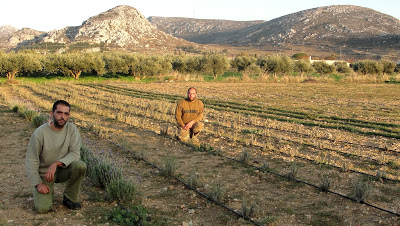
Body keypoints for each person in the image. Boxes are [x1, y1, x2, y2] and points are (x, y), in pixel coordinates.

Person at [26, 100, 86, 213]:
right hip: (46, 174)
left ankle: (70, 198)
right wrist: (38, 184)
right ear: (51, 113)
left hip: (63, 170)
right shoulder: (39, 133)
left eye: (66, 114)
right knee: (42, 208)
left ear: (69, 115)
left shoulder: (72, 129)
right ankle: (49, 192)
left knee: (80, 166)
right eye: (59, 113)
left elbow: (75, 154)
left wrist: (56, 163)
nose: (62, 117)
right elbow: (31, 160)